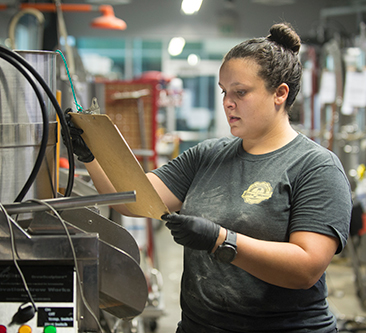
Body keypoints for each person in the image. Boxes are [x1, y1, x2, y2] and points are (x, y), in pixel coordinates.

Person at [66, 22, 351, 333]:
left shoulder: (316, 167)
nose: (228, 102)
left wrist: (220, 240)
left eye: (240, 92)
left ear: (279, 93)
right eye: (224, 92)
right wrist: (91, 155)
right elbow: (133, 200)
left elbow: (305, 268)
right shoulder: (208, 155)